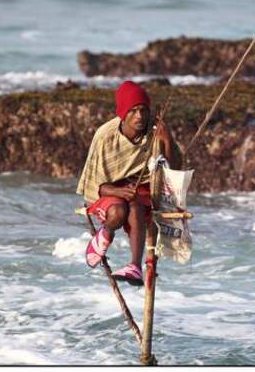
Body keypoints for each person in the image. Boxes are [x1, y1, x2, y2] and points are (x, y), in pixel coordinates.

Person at [76, 80, 181, 286]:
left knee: (135, 206)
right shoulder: (106, 136)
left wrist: (166, 139)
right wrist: (119, 191)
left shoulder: (154, 132)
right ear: (123, 113)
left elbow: (174, 170)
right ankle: (105, 234)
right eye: (133, 111)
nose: (140, 116)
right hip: (109, 191)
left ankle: (134, 266)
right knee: (118, 212)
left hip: (141, 192)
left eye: (143, 110)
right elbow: (95, 184)